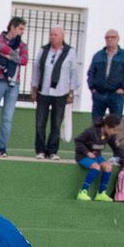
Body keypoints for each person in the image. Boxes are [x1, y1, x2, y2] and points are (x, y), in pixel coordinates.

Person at [30, 26, 80, 160]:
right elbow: (36, 69)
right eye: (51, 34)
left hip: (61, 92)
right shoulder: (44, 50)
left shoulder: (70, 52)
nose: (53, 37)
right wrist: (34, 88)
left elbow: (74, 72)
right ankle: (40, 150)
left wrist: (71, 92)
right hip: (43, 91)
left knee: (56, 124)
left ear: (62, 36)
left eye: (56, 35)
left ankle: (52, 151)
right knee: (40, 123)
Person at [0, 17, 28, 158]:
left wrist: (9, 56)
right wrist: (15, 55)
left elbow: (24, 60)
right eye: (20, 28)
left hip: (13, 84)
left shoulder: (22, 45)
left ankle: (2, 149)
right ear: (12, 27)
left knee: (7, 118)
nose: (22, 32)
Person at [86, 29, 124, 123]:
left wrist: (123, 88)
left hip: (116, 95)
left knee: (115, 124)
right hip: (99, 94)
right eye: (107, 37)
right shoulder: (98, 55)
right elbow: (91, 73)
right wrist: (92, 88)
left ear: (118, 39)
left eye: (113, 37)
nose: (109, 39)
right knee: (96, 123)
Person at [73, 115, 121, 203]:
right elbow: (78, 141)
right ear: (106, 126)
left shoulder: (108, 135)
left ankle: (101, 193)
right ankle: (83, 191)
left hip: (96, 156)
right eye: (114, 130)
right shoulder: (90, 131)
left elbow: (116, 148)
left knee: (108, 167)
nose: (115, 132)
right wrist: (87, 152)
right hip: (83, 156)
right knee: (96, 167)